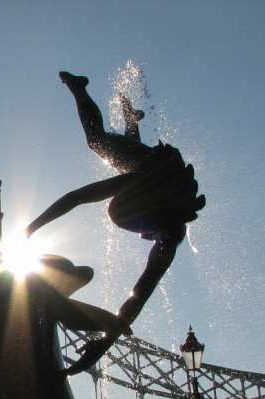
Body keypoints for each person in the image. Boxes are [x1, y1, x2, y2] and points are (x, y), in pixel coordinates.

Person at [25, 71, 205, 376]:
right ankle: (82, 90)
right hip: (154, 168)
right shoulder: (140, 178)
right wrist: (32, 227)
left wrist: (103, 344)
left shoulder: (170, 238)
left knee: (110, 147)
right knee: (98, 141)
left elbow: (135, 301)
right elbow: (77, 197)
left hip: (159, 176)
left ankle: (130, 119)